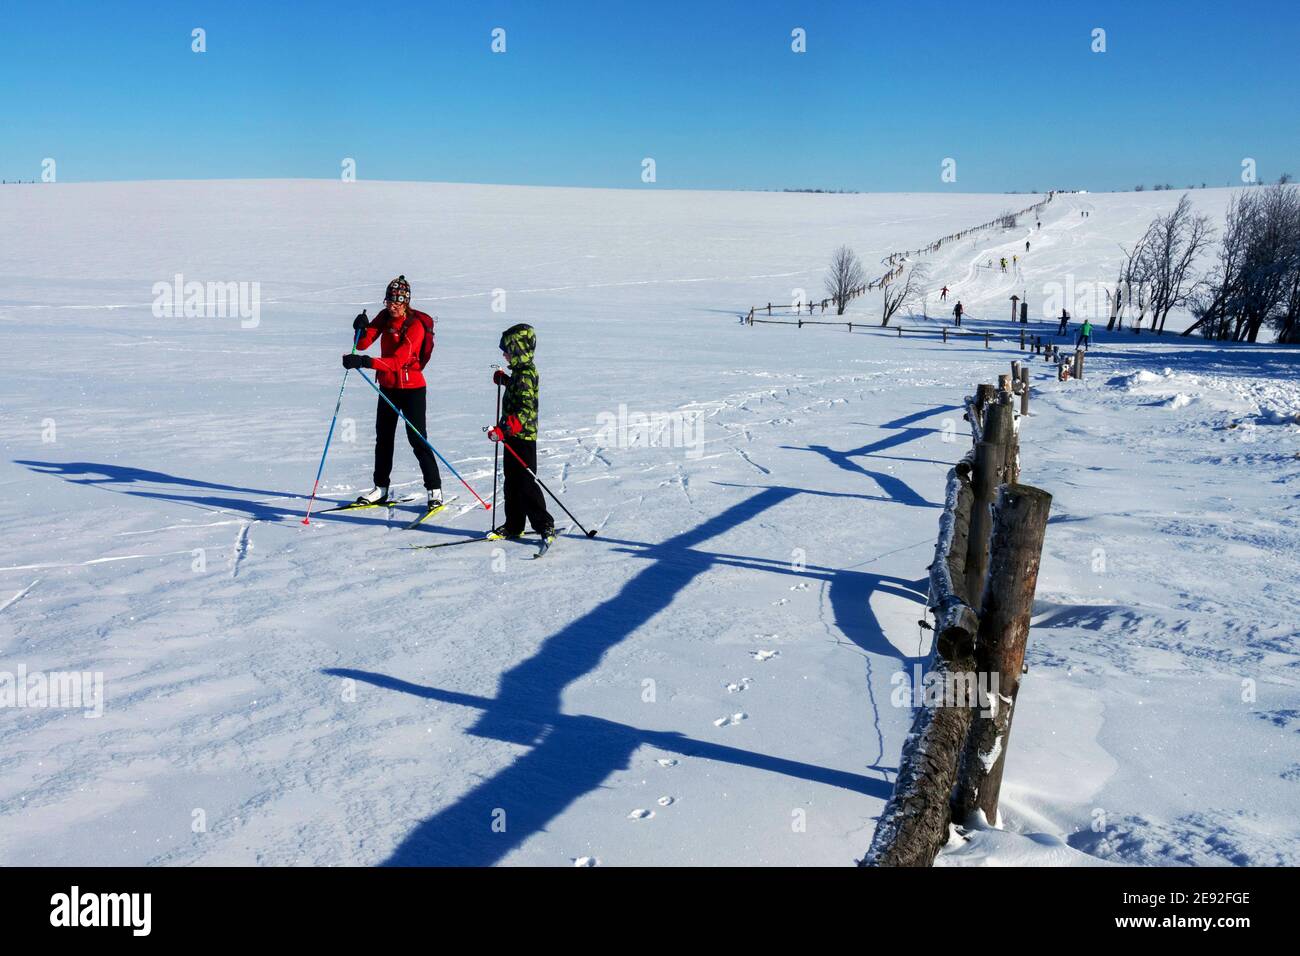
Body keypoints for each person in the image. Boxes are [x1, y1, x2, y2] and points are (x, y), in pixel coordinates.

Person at [342, 276, 443, 510]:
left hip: (412, 389)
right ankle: (381, 488)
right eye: (389, 300)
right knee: (383, 439)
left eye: (397, 301)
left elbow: (398, 362)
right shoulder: (384, 316)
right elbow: (365, 343)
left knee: (417, 439)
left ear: (406, 302)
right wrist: (361, 328)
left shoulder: (416, 325)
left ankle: (434, 490)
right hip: (387, 387)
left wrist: (363, 362)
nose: (392, 306)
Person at [487, 324, 555, 543]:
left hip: (523, 438)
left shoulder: (525, 374)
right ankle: (514, 525)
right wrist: (505, 380)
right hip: (512, 437)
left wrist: (503, 429)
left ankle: (544, 524)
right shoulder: (519, 373)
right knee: (511, 482)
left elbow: (525, 410)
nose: (504, 354)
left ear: (518, 350)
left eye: (507, 350)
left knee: (526, 483)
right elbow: (518, 391)